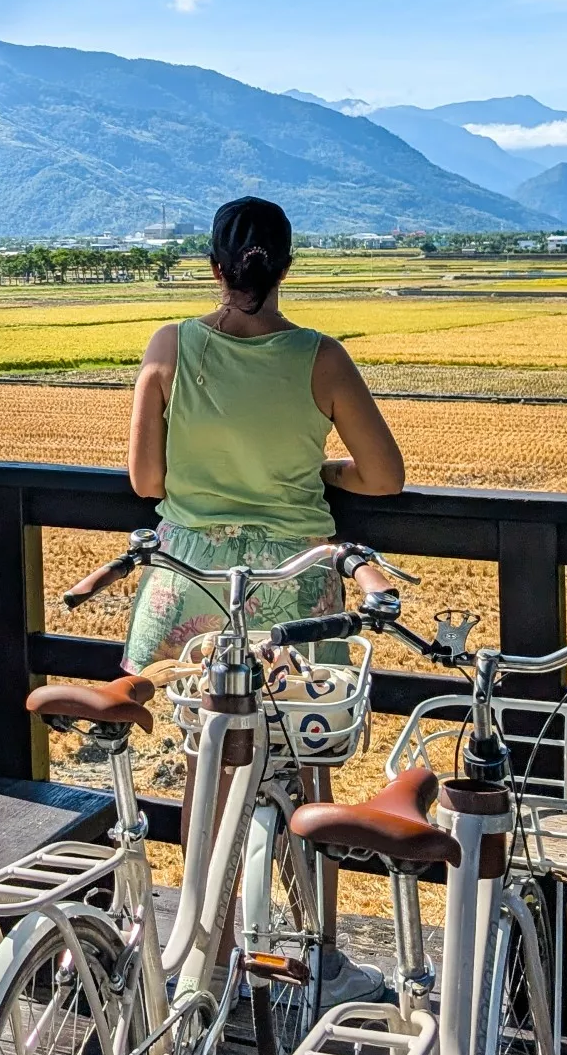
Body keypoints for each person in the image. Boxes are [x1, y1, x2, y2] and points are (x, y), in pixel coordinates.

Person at [121, 195, 406, 1008]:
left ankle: (196, 956)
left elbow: (147, 483)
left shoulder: (170, 345)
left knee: (200, 764)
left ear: (213, 266)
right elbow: (383, 476)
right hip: (292, 587)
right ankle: (318, 956)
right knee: (304, 769)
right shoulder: (321, 358)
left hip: (191, 582)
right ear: (286, 267)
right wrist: (315, 475)